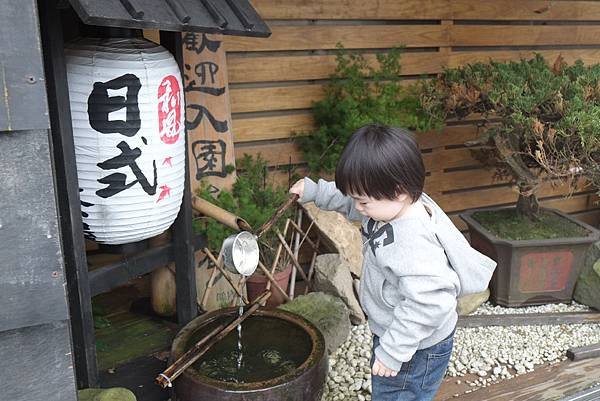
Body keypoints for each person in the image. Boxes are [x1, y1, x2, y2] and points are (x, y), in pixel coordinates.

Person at [289, 124, 496, 401]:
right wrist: (316, 192)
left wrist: (393, 352)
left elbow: (431, 303)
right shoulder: (392, 205)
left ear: (397, 191)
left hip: (415, 348)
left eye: (363, 201)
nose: (357, 208)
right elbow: (353, 202)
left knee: (397, 396)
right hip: (405, 335)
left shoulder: (412, 242)